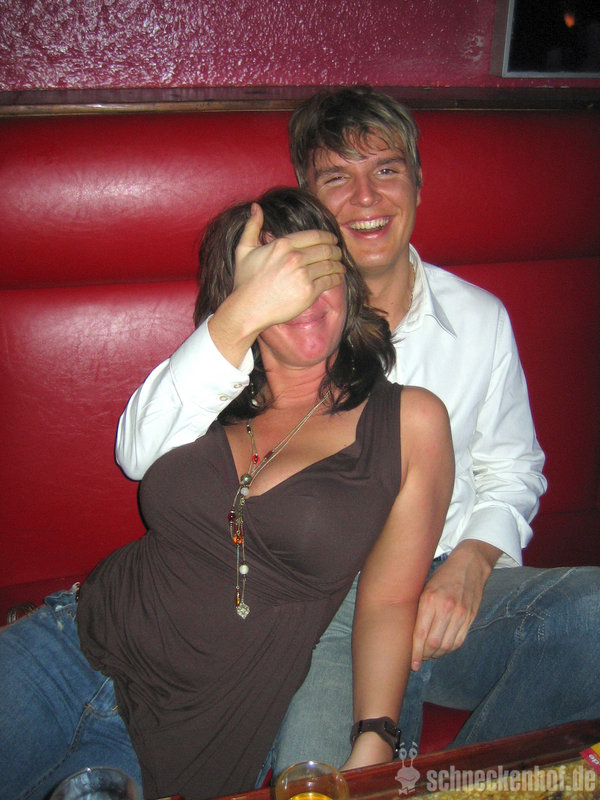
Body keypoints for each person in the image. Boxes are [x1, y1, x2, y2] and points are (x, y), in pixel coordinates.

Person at [114, 86, 600, 774]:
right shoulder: (276, 322)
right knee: (326, 773)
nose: (367, 198)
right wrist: (247, 310)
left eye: (387, 170)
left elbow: (513, 468)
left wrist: (471, 563)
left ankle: (465, 783)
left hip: (446, 588)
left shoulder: (480, 319)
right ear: (310, 201)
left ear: (417, 185)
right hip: (325, 594)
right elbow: (140, 454)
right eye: (338, 178)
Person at [0, 187, 454, 800]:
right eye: (277, 282)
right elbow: (134, 452)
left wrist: (375, 735)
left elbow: (389, 602)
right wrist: (241, 317)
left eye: (318, 271)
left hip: (188, 734)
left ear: (348, 283)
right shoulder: (209, 389)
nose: (305, 298)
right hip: (66, 647)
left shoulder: (408, 420)